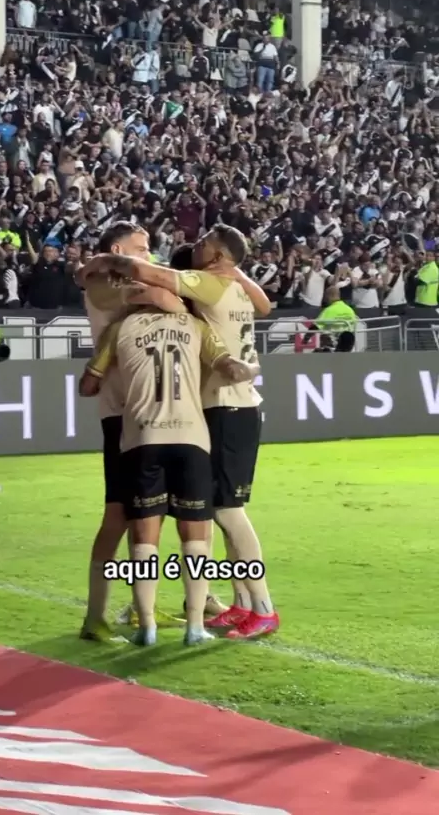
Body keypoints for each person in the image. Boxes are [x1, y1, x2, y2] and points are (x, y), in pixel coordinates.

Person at [83, 224, 279, 639]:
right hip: (192, 409)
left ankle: (260, 607)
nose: (148, 256)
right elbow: (264, 305)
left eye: (205, 243)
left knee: (219, 511)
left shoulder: (202, 285)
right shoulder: (229, 284)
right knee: (184, 513)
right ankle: (234, 604)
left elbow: (158, 288)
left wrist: (102, 261)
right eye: (141, 248)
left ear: (216, 257)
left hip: (220, 406)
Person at [77, 221, 187, 642]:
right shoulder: (101, 285)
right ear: (119, 250)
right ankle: (95, 617)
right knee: (118, 514)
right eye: (142, 249)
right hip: (121, 412)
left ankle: (143, 607)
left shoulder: (112, 278)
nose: (149, 256)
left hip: (147, 412)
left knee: (147, 514)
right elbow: (161, 296)